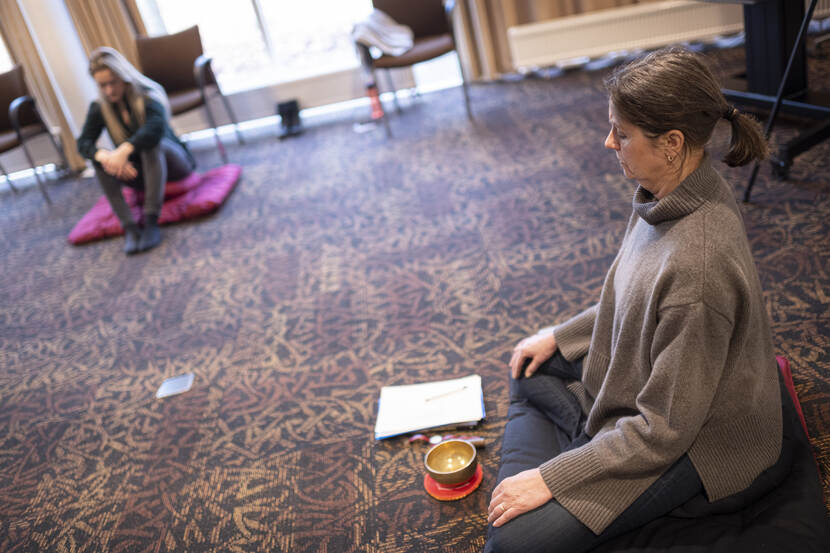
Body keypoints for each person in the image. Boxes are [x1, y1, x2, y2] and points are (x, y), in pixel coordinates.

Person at [484, 47, 785, 553]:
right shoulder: (669, 191)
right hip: (658, 384)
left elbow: (665, 430)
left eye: (621, 134)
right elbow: (634, 293)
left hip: (698, 441)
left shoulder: (698, 269)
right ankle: (595, 450)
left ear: (671, 143)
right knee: (528, 366)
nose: (609, 142)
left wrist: (555, 477)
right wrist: (560, 336)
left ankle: (592, 455)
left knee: (512, 544)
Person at [77, 47, 195, 254]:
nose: (109, 91)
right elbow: (83, 142)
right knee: (100, 161)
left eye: (113, 82)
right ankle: (129, 227)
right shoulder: (99, 106)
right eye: (102, 85)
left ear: (124, 77)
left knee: (151, 146)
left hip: (174, 165)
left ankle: (151, 222)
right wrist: (104, 156)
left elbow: (154, 131)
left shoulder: (149, 96)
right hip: (138, 171)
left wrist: (123, 151)